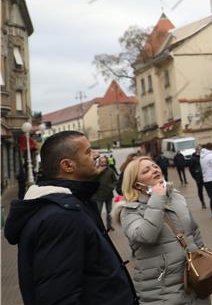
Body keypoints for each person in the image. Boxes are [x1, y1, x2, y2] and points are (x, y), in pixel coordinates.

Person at [3, 130, 137, 304]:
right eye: (88, 152)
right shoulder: (60, 217)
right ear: (67, 166)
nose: (96, 155)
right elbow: (59, 297)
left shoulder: (72, 204)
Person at [118, 156, 209, 304]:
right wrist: (157, 198)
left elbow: (193, 230)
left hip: (195, 279)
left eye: (154, 166)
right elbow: (146, 235)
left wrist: (203, 256)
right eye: (146, 171)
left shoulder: (175, 196)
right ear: (136, 184)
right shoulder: (129, 211)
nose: (154, 170)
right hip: (163, 289)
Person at [93, 156, 118, 231]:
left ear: (107, 162)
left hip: (108, 194)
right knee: (98, 212)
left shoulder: (110, 171)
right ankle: (98, 226)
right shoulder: (95, 170)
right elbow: (91, 180)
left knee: (109, 212)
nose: (103, 164)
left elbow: (115, 181)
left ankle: (109, 225)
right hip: (98, 195)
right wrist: (99, 172)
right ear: (99, 162)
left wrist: (111, 187)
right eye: (101, 162)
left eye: (104, 162)